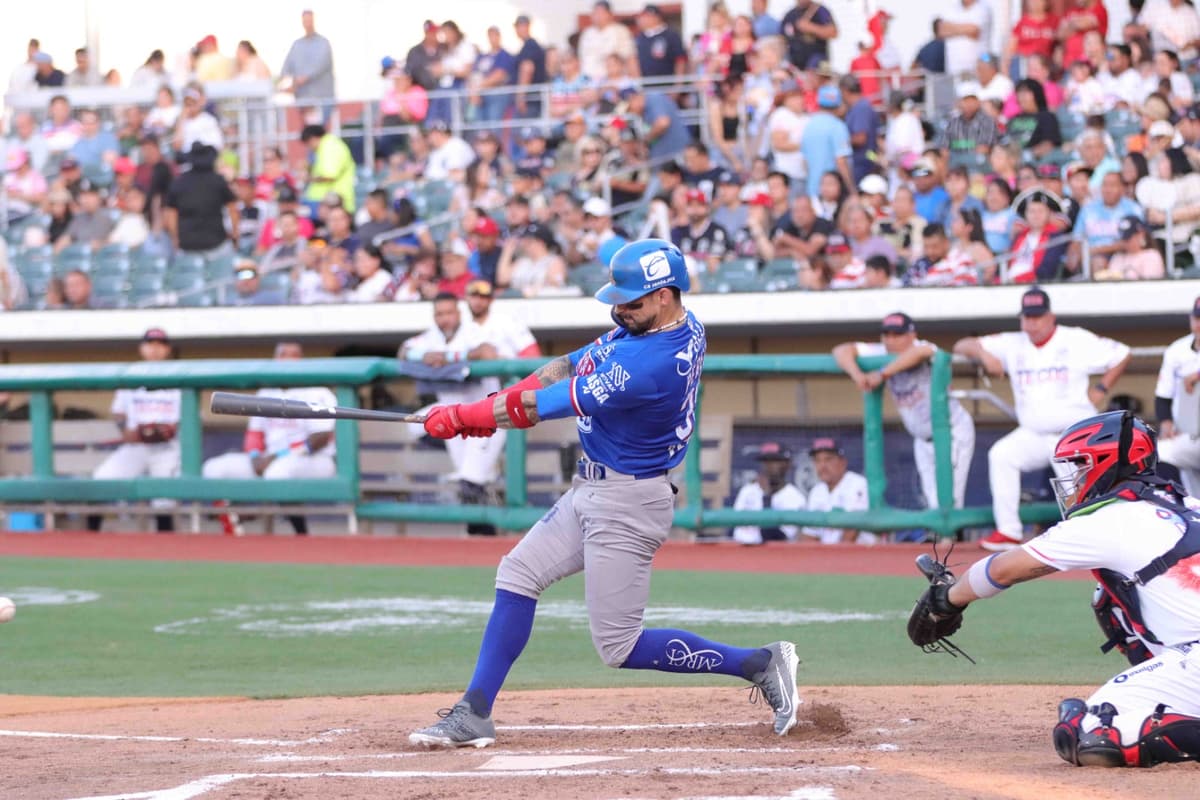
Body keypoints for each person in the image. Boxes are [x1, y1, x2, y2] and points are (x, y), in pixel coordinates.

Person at [408, 239, 801, 749]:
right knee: (518, 573)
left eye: (631, 302)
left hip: (628, 502)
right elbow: (567, 365)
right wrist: (491, 405)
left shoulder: (649, 365)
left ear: (664, 296)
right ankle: (474, 712)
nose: (620, 311)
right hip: (592, 489)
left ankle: (759, 662)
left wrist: (465, 417)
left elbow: (543, 405)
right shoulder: (663, 323)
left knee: (619, 645)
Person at [910, 409, 1200, 769]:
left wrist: (946, 599)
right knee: (1108, 599)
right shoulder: (1188, 505)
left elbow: (1004, 569)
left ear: (1106, 463)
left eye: (1079, 465)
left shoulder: (1108, 519)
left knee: (1088, 732)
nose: (1072, 478)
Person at [953, 287, 1132, 551]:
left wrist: (1101, 389)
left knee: (1084, 502)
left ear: (1051, 316)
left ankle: (1096, 542)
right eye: (1027, 317)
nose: (1032, 323)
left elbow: (1122, 353)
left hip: (1074, 434)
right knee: (1001, 455)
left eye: (1037, 316)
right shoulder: (1013, 342)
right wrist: (983, 354)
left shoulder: (1075, 338)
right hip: (1034, 433)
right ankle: (1009, 531)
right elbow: (961, 345)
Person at [834, 312, 975, 511]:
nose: (891, 340)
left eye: (897, 335)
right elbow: (841, 349)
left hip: (952, 433)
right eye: (887, 335)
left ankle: (948, 542)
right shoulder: (882, 351)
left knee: (948, 500)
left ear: (911, 335)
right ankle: (944, 541)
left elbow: (922, 352)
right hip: (921, 439)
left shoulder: (921, 345)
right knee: (933, 501)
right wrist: (857, 376)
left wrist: (882, 374)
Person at [201, 341, 336, 536]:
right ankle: (232, 526)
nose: (288, 359)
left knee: (277, 472)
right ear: (275, 359)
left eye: (294, 355)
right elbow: (254, 434)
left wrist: (276, 456)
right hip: (269, 458)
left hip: (315, 460)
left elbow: (321, 437)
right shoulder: (266, 392)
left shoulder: (317, 391)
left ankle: (301, 533)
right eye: (283, 354)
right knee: (214, 468)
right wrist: (255, 456)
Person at [86, 328, 181, 534]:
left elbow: (187, 418)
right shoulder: (131, 375)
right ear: (142, 348)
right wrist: (126, 431)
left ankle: (166, 545)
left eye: (160, 344)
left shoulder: (179, 376)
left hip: (166, 448)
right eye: (150, 344)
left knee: (163, 496)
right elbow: (119, 413)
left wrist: (168, 430)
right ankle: (89, 538)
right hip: (135, 446)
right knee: (101, 479)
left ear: (168, 349)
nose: (154, 349)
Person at [1154, 297, 1200, 495]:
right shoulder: (1177, 350)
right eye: (1197, 319)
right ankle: (1172, 511)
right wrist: (1166, 424)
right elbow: (1163, 397)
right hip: (1189, 432)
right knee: (1159, 452)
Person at [164, 144, 238, 257]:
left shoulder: (179, 182)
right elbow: (232, 208)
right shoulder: (218, 181)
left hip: (188, 244)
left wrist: (175, 237)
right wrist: (235, 234)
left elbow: (171, 213)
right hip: (216, 243)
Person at [731, 442, 806, 546]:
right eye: (765, 461)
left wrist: (766, 497)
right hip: (740, 552)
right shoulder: (748, 490)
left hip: (774, 557)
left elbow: (776, 539)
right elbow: (733, 530)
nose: (768, 466)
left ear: (787, 465)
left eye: (774, 461)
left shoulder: (796, 499)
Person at [799, 437, 870, 544]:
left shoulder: (858, 484)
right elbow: (810, 534)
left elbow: (851, 532)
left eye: (828, 459)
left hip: (860, 553)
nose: (822, 466)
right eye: (817, 460)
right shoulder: (817, 491)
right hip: (828, 555)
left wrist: (832, 559)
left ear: (843, 463)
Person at [280, 9, 336, 122]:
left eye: (309, 20)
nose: (307, 23)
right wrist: (284, 84)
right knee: (308, 133)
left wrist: (297, 82)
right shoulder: (297, 45)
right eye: (305, 21)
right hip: (303, 100)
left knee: (318, 131)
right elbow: (286, 69)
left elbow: (319, 67)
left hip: (321, 99)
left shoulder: (323, 43)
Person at [300, 124, 355, 213]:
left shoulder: (330, 147)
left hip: (334, 204)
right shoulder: (325, 147)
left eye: (308, 144)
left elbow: (329, 175)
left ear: (313, 139)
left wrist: (308, 178)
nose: (309, 148)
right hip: (325, 203)